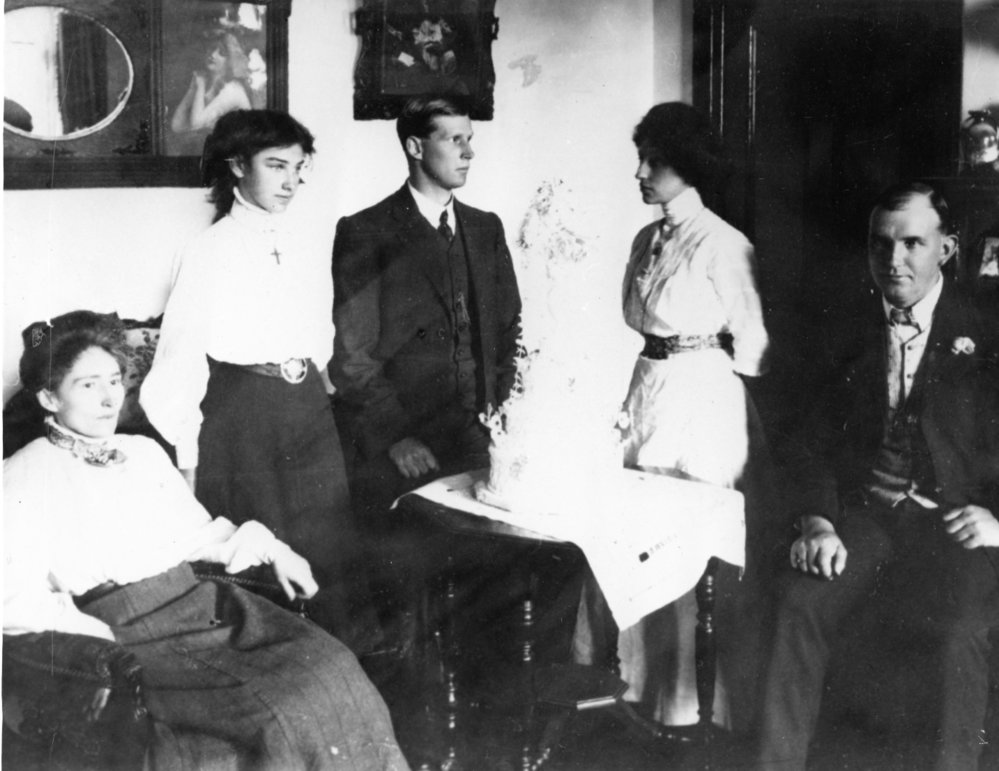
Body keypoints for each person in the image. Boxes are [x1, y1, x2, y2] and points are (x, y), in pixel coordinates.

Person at [3, 310, 410, 770]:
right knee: (280, 710)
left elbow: (196, 535)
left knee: (333, 666)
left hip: (207, 605)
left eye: (114, 380)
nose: (108, 397)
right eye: (87, 384)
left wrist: (272, 548)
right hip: (132, 634)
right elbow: (14, 599)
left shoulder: (143, 453)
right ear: (49, 397)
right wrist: (100, 640)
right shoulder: (22, 476)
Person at [756, 181, 999, 770]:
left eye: (912, 243)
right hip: (864, 517)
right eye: (881, 244)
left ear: (946, 247)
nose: (894, 261)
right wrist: (816, 521)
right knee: (799, 604)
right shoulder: (840, 326)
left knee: (959, 630)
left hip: (955, 522)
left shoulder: (988, 327)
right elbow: (807, 440)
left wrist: (998, 518)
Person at [574, 102, 771, 730]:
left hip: (701, 404)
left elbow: (756, 347)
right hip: (647, 390)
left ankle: (685, 704)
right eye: (641, 158)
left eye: (654, 161)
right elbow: (637, 318)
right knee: (631, 537)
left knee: (684, 548)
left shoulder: (724, 243)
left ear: (686, 165)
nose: (640, 172)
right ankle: (633, 689)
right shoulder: (645, 238)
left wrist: (712, 396)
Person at [141, 110, 368, 645]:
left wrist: (317, 386)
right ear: (238, 166)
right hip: (243, 414)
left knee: (326, 541)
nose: (291, 181)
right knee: (264, 553)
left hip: (306, 406)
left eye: (298, 167)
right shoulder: (208, 251)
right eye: (276, 165)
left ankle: (342, 672)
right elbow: (182, 359)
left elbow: (319, 327)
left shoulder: (307, 241)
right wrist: (189, 458)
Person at [170, 32, 252, 136]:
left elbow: (196, 124)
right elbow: (177, 126)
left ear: (230, 61)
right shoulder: (206, 81)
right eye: (211, 49)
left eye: (221, 53)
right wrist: (192, 90)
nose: (212, 55)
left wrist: (200, 87)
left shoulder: (233, 89)